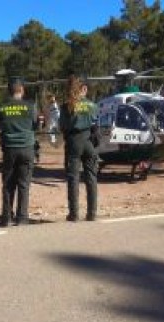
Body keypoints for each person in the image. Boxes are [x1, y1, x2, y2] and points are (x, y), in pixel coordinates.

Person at [0, 76, 37, 226]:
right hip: (26, 148)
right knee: (23, 184)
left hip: (9, 149)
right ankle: (22, 217)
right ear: (22, 89)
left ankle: (6, 217)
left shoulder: (1, 106)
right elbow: (35, 125)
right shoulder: (30, 106)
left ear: (9, 90)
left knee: (8, 184)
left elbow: (0, 124)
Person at [59, 75, 99, 222]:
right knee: (91, 177)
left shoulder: (66, 107)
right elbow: (96, 123)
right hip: (89, 142)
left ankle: (74, 213)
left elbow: (62, 126)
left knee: (73, 178)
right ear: (84, 89)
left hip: (73, 142)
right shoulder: (93, 106)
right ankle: (92, 212)